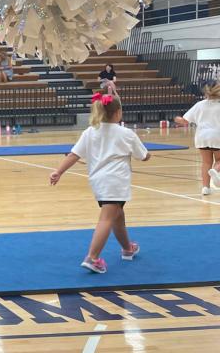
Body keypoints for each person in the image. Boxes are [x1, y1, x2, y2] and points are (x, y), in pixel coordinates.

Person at [50, 94, 150, 273]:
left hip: (98, 182)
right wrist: (148, 155)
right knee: (107, 218)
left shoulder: (90, 132)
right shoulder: (126, 133)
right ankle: (92, 257)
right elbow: (143, 156)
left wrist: (58, 171)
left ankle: (128, 248)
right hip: (116, 182)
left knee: (117, 216)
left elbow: (74, 155)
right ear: (118, 112)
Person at [174, 81, 220, 196]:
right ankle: (216, 170)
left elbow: (185, 121)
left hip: (202, 137)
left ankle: (205, 187)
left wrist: (177, 119)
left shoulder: (200, 104)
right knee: (219, 160)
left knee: (206, 162)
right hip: (217, 135)